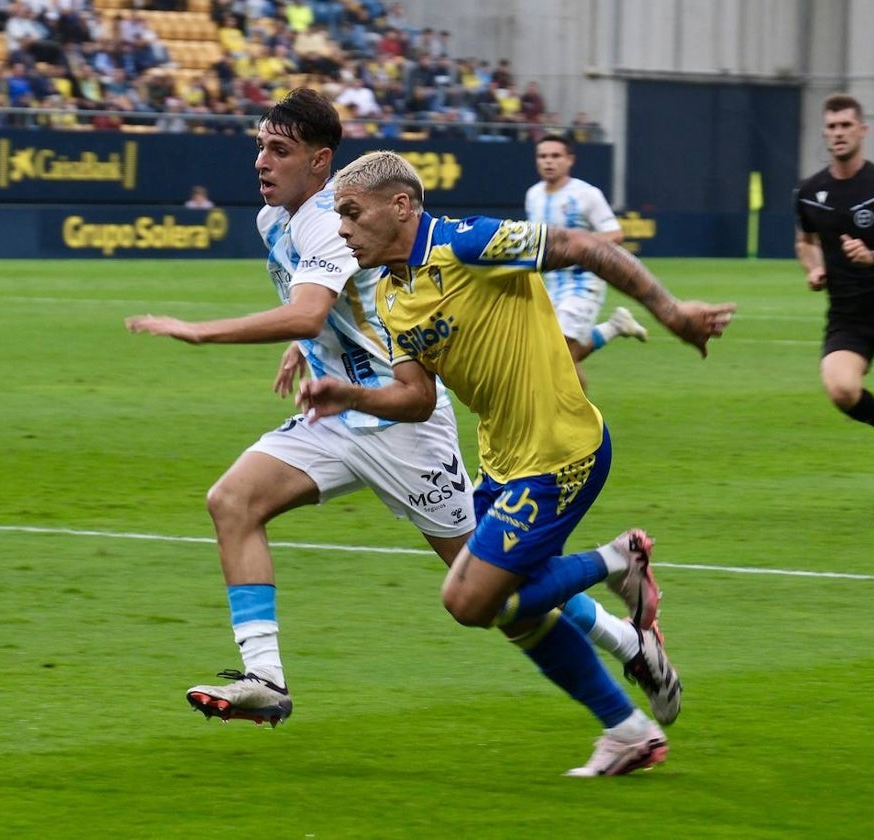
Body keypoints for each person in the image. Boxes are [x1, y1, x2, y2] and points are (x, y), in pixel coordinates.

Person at [125, 90, 682, 758]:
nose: (261, 162)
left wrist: (199, 331)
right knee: (233, 501)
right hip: (340, 410)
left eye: (278, 149)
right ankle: (266, 679)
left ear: (319, 161)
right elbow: (327, 312)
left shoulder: (333, 221)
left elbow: (310, 309)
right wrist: (308, 349)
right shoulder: (280, 222)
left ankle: (626, 655)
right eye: (259, 147)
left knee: (495, 597)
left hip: (403, 431)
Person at [299, 150, 735, 775]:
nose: (341, 228)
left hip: (562, 451)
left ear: (400, 206)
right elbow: (418, 399)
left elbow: (584, 246)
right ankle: (627, 729)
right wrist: (351, 395)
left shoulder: (468, 243)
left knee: (470, 602)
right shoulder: (391, 296)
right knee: (508, 612)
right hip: (503, 462)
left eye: (350, 212)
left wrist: (670, 312)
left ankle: (616, 561)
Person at [526, 133, 648, 389]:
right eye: (543, 156)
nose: (549, 161)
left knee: (563, 356)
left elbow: (615, 234)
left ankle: (581, 422)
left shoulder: (586, 195)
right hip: (550, 286)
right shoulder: (534, 195)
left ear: (570, 160)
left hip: (584, 283)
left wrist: (578, 247)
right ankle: (615, 326)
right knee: (553, 356)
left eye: (555, 156)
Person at [794, 92, 874, 428]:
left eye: (846, 125)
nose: (838, 132)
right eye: (832, 127)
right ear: (825, 133)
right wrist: (814, 268)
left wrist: (872, 257)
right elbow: (805, 240)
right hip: (849, 315)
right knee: (841, 388)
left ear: (862, 130)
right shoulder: (811, 192)